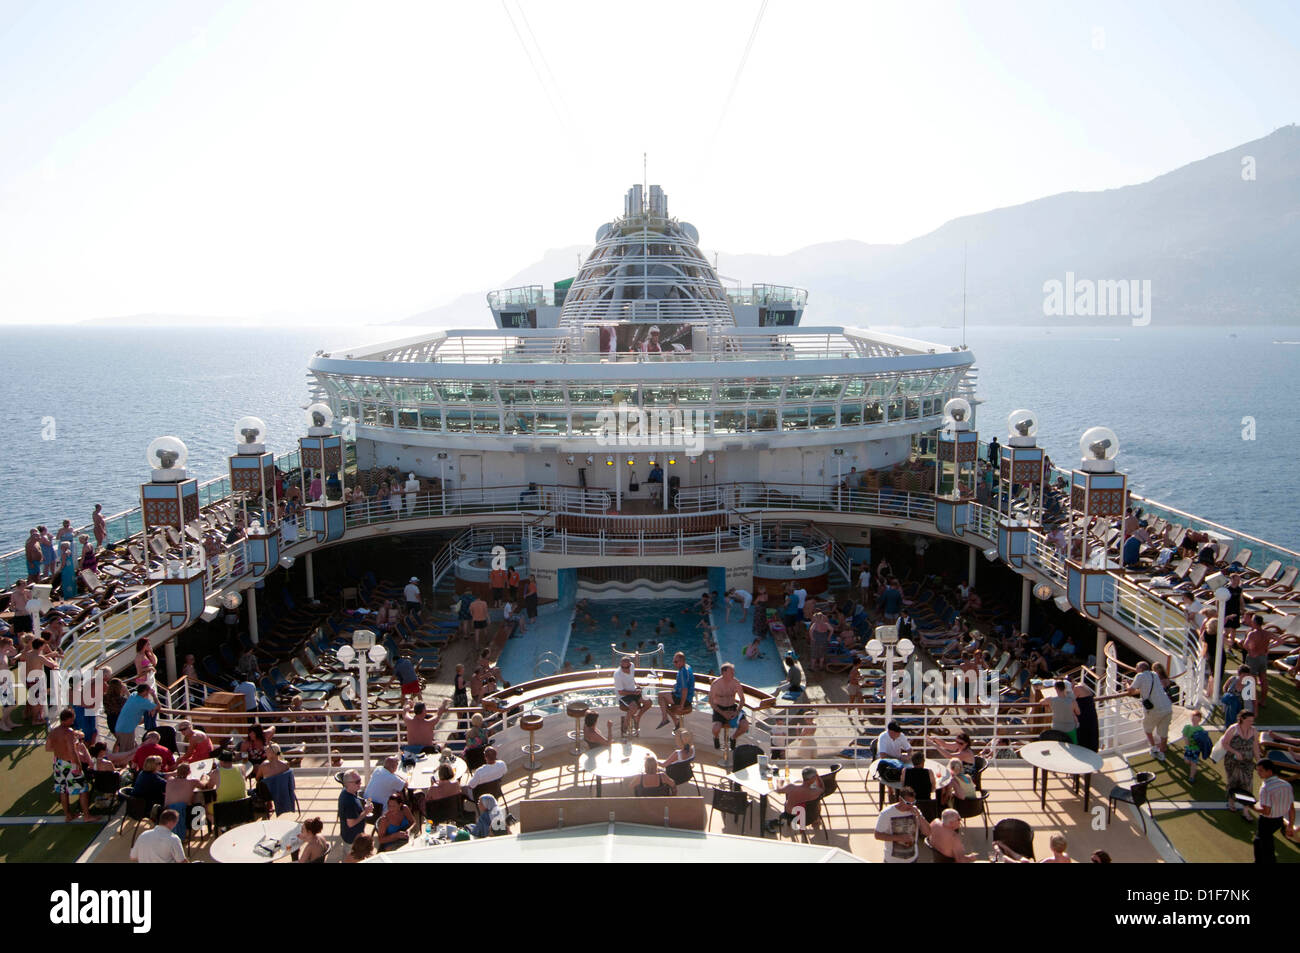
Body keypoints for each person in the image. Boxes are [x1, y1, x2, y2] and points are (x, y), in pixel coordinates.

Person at [47, 709, 98, 822]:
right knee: (83, 789)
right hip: (70, 763)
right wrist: (78, 765)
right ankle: (86, 816)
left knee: (63, 790)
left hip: (58, 763)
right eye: (72, 719)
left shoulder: (53, 731)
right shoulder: (69, 732)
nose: (74, 720)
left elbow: (48, 748)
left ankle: (68, 815)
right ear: (68, 719)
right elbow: (72, 751)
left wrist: (60, 747)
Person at [1127, 661, 1173, 762]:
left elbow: (1130, 691)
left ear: (1140, 669)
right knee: (1163, 732)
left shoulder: (1140, 676)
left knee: (1147, 729)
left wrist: (1127, 684)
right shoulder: (1155, 674)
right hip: (1167, 706)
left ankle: (1154, 748)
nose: (1135, 670)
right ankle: (1162, 752)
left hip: (1154, 709)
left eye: (1136, 667)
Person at [1251, 760, 1296, 863]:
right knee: (1259, 842)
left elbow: (1266, 811)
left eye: (1261, 771)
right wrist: (1290, 826)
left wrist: (1251, 806)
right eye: (1257, 770)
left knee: (1266, 848)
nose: (1258, 773)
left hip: (1266, 821)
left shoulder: (1265, 788)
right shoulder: (1286, 785)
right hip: (1278, 821)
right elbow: (1291, 808)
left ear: (1269, 772)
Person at [874, 786, 930, 863]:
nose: (910, 805)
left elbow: (928, 832)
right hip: (892, 860)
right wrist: (899, 838)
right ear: (900, 799)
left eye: (913, 803)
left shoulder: (915, 811)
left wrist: (919, 816)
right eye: (908, 803)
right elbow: (877, 835)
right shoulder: (887, 813)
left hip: (912, 859)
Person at [1221, 710, 1262, 811]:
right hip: (1232, 761)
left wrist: (1259, 762)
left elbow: (1255, 747)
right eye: (1249, 721)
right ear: (1242, 719)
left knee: (1248, 785)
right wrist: (1235, 752)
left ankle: (1246, 810)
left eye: (1252, 721)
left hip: (1247, 762)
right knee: (1233, 782)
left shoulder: (1254, 731)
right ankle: (1231, 803)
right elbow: (1224, 743)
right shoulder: (1233, 729)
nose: (1251, 723)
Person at [1241, 614, 1285, 708]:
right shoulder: (1267, 633)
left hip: (1253, 658)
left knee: (1251, 680)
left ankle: (1253, 701)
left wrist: (1251, 650)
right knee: (1263, 679)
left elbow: (1245, 645)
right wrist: (1268, 647)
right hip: (1263, 657)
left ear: (1255, 622)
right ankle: (1263, 701)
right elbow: (1280, 641)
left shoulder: (1252, 633)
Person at [764, 766, 825, 834]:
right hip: (810, 816)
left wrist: (779, 781)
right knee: (815, 803)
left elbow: (779, 790)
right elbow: (822, 788)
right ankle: (815, 820)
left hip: (792, 816)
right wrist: (817, 776)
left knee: (789, 801)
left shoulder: (791, 787)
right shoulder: (816, 791)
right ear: (813, 778)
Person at [708, 662, 748, 749]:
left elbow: (742, 699)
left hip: (732, 708)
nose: (733, 674)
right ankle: (716, 737)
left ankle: (733, 738)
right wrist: (722, 713)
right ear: (724, 673)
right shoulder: (716, 684)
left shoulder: (736, 682)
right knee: (716, 729)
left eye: (733, 672)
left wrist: (737, 712)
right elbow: (711, 701)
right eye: (731, 672)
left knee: (745, 726)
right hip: (719, 709)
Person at [114, 684, 158, 752]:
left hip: (120, 726)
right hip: (127, 730)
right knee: (127, 752)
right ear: (145, 692)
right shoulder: (142, 702)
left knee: (124, 749)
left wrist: (149, 707)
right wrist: (154, 695)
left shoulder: (133, 695)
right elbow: (158, 707)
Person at [657, 651, 694, 730]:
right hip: (687, 697)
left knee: (660, 696)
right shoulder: (688, 667)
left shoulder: (683, 672)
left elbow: (685, 690)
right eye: (674, 661)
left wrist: (681, 705)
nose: (674, 663)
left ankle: (665, 719)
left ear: (682, 661)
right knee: (663, 702)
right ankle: (675, 721)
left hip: (683, 698)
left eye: (676, 662)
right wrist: (677, 685)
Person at [163, 764, 203, 838]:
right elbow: (204, 785)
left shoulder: (169, 780)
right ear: (189, 772)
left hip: (166, 814)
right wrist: (205, 777)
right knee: (199, 799)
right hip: (186, 815)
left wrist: (177, 772)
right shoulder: (193, 782)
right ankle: (195, 829)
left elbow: (165, 775)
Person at [614, 657, 651, 734]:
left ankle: (638, 717)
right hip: (624, 696)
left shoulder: (632, 666)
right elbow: (621, 692)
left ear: (630, 665)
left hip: (633, 691)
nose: (625, 669)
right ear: (620, 666)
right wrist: (634, 693)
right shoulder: (617, 674)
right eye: (623, 667)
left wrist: (637, 685)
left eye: (627, 667)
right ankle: (625, 725)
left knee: (649, 702)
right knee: (634, 707)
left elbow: (631, 678)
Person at [338, 771, 372, 846]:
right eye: (357, 782)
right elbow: (351, 823)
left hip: (349, 836)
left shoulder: (347, 791)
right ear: (348, 784)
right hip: (353, 840)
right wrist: (365, 812)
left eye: (360, 780)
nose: (360, 783)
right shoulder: (350, 801)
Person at [1181, 709, 1213, 781]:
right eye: (1193, 717)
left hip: (1196, 749)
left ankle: (1191, 777)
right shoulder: (1188, 727)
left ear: (1199, 719)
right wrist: (1186, 741)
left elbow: (1203, 740)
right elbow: (1184, 735)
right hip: (1189, 748)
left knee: (1193, 762)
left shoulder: (1201, 729)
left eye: (1196, 718)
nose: (1194, 719)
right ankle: (1193, 767)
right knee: (1186, 761)